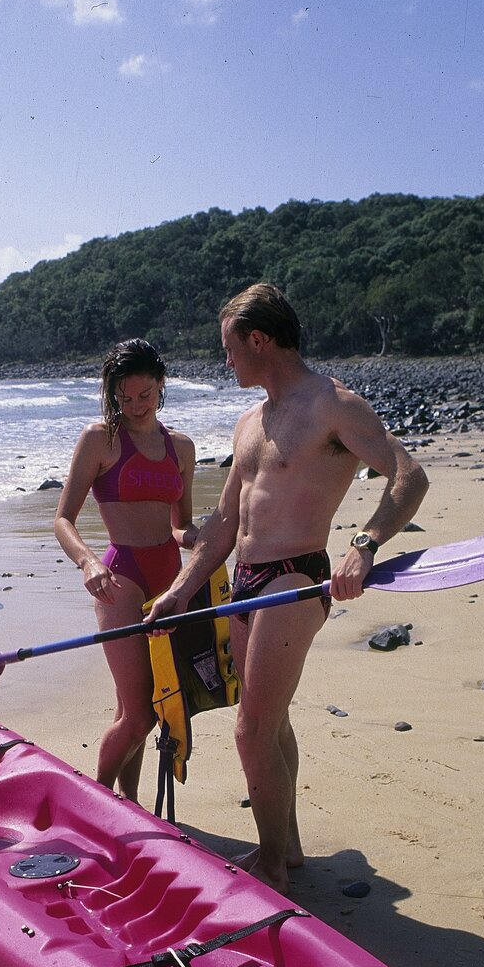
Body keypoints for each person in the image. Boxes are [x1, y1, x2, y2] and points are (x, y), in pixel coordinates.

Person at [145, 283, 429, 891]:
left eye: (229, 349)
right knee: (270, 724)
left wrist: (366, 543)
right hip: (245, 583)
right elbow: (225, 521)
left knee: (250, 728)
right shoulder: (251, 420)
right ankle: (289, 846)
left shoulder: (334, 406)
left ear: (259, 339)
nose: (226, 363)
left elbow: (408, 474)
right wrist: (179, 590)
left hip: (295, 578)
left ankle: (271, 862)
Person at [54, 339, 198, 800]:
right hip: (120, 578)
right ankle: (99, 800)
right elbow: (62, 519)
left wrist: (204, 537)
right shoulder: (101, 439)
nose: (135, 406)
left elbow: (181, 526)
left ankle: (128, 803)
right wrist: (88, 561)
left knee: (148, 708)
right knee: (139, 715)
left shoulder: (182, 447)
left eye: (145, 395)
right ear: (113, 393)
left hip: (170, 582)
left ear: (161, 385)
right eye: (125, 397)